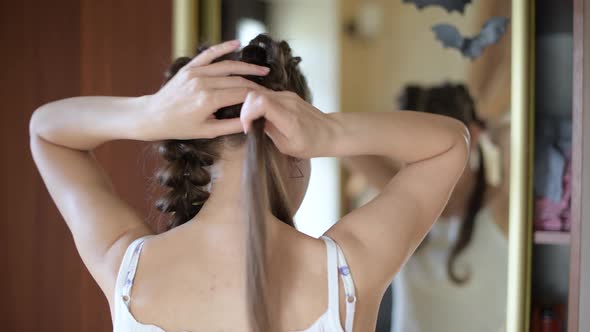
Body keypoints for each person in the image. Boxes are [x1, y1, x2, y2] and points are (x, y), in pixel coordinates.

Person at [29, 35, 469, 332]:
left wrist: (148, 114)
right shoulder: (347, 274)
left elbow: (47, 132)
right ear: (297, 144)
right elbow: (451, 144)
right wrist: (330, 132)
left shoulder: (127, 270)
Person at [345, 83, 509, 332]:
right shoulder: (404, 200)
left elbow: (512, 134)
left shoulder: (500, 207)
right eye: (412, 147)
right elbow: (347, 145)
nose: (424, 160)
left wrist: (493, 131)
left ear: (472, 137)